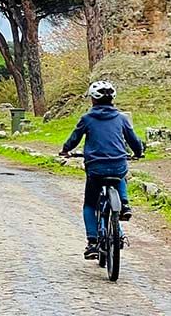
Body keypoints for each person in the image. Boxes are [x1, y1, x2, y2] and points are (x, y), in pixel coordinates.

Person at [60, 80, 144, 260]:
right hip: (118, 164)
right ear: (113, 99)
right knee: (120, 174)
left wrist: (66, 150)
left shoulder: (87, 119)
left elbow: (74, 139)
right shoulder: (122, 118)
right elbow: (133, 140)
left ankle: (92, 242)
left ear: (93, 100)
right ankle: (124, 204)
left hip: (96, 168)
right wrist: (138, 152)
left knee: (90, 204)